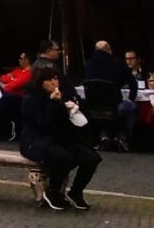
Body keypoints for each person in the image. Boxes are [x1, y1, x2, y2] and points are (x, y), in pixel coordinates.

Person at [19, 64, 99, 210]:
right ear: (40, 82)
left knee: (91, 157)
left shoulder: (62, 95)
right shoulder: (31, 99)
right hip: (36, 141)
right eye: (49, 80)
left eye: (55, 79)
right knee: (64, 157)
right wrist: (53, 103)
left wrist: (71, 110)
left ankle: (76, 192)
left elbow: (69, 124)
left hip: (60, 138)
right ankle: (53, 192)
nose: (54, 83)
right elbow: (42, 125)